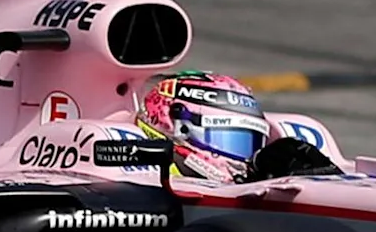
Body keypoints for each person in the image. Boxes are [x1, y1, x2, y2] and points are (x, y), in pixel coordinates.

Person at [137, 69, 332, 186]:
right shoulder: (139, 179)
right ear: (180, 128)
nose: (244, 158)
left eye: (248, 142)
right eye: (229, 138)